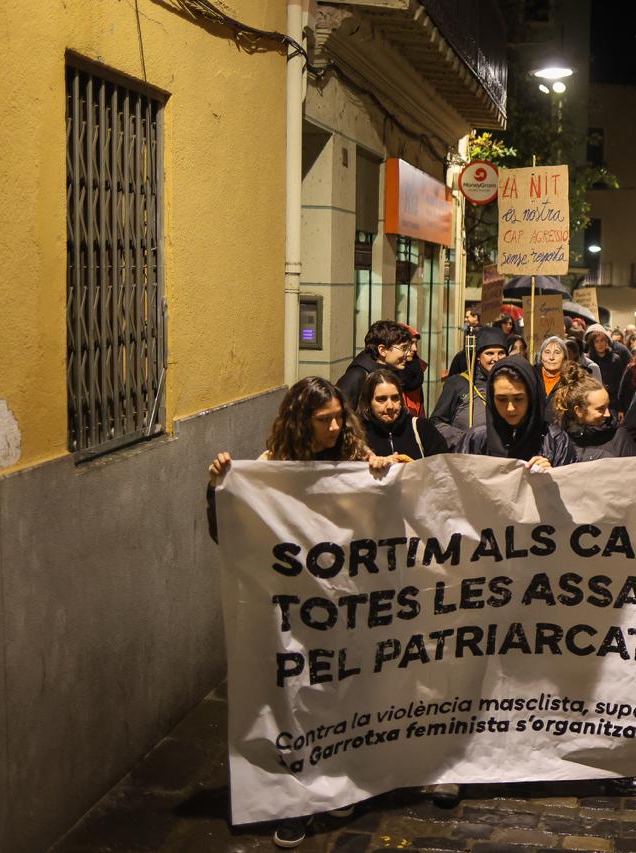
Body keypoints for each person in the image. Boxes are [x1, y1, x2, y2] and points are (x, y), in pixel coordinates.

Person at [205, 376, 374, 848]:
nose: (337, 427)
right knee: (293, 699)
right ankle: (294, 798)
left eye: (340, 417)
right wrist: (222, 487)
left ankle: (338, 781)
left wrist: (384, 471)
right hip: (290, 610)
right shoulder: (270, 468)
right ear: (301, 421)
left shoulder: (353, 458)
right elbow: (233, 536)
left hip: (343, 606)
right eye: (325, 420)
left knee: (339, 694)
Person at [458, 355, 577, 468]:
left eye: (518, 399)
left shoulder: (555, 440)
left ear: (531, 397)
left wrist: (552, 476)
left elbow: (568, 486)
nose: (510, 408)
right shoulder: (476, 439)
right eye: (501, 399)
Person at [431, 325, 507, 445]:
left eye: (501, 353)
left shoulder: (511, 382)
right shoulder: (458, 383)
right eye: (489, 353)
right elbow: (436, 422)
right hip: (466, 455)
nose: (496, 358)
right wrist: (463, 439)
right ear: (478, 357)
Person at [356, 368, 449, 462]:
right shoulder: (358, 435)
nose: (390, 406)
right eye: (382, 399)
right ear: (368, 403)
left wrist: (413, 467)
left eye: (395, 398)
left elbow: (444, 469)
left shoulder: (422, 428)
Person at [551, 362, 629, 461]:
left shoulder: (620, 437)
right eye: (600, 409)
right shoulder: (560, 442)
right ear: (578, 411)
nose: (608, 414)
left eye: (607, 406)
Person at [334, 321, 415, 409]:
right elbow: (339, 413)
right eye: (403, 348)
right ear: (382, 350)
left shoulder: (392, 372)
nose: (407, 354)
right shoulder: (356, 376)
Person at [584, 324, 628, 413]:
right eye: (597, 341)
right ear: (593, 344)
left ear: (606, 342)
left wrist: (620, 409)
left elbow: (620, 385)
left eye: (602, 340)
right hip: (593, 401)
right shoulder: (588, 361)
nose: (600, 344)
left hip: (612, 404)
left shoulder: (615, 359)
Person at [535, 335, 568, 421]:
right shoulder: (532, 376)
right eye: (547, 352)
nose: (551, 357)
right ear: (541, 357)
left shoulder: (569, 381)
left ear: (564, 358)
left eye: (557, 352)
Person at [397, 324, 426, 417]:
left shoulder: (417, 370)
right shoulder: (388, 376)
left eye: (415, 343)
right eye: (410, 344)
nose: (415, 349)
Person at [445, 308, 481, 378]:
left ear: (475, 317)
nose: (465, 319)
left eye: (467, 317)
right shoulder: (468, 329)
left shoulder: (480, 331)